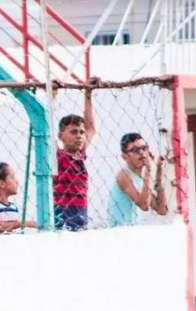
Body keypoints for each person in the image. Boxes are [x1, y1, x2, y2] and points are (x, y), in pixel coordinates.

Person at [54, 82, 97, 231]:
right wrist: (52, 95)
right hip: (62, 210)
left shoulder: (80, 155)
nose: (79, 136)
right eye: (73, 132)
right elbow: (45, 127)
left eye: (81, 132)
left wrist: (88, 94)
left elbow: (90, 127)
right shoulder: (58, 156)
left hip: (81, 211)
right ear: (60, 136)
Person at [107, 132, 168, 227]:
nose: (141, 153)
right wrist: (148, 170)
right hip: (118, 232)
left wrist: (159, 171)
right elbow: (144, 205)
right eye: (135, 150)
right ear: (124, 157)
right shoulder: (124, 174)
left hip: (132, 231)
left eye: (144, 148)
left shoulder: (142, 179)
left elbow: (161, 210)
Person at [0, 162, 37, 233]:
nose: (17, 181)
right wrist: (22, 223)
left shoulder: (13, 207)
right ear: (2, 184)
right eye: (12, 177)